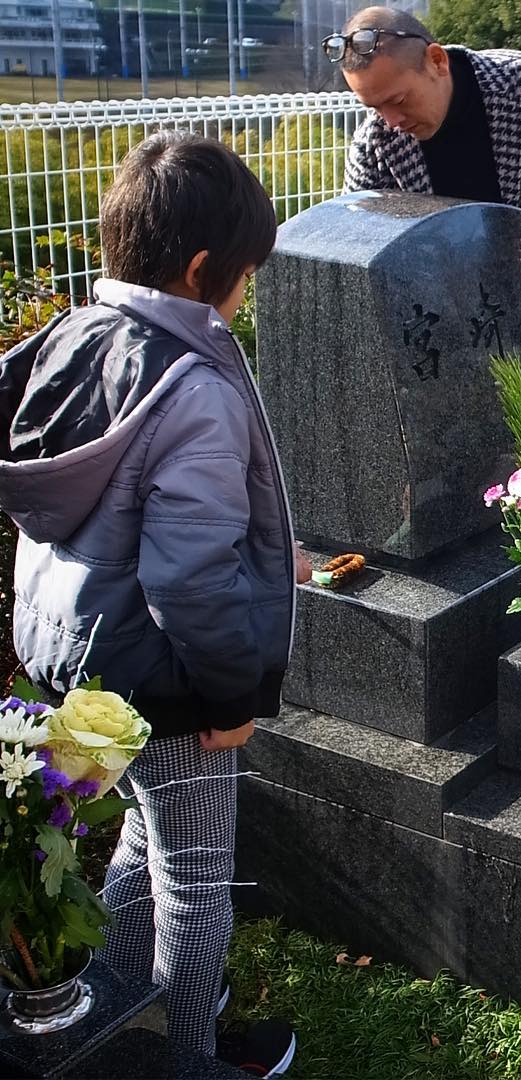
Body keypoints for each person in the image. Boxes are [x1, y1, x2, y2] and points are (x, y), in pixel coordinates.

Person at [0, 132, 304, 1075]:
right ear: (206, 269)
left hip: (69, 652)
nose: (245, 294)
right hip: (167, 678)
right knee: (197, 877)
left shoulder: (67, 339)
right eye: (246, 274)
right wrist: (229, 700)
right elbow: (187, 579)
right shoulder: (196, 386)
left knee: (142, 828)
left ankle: (121, 1016)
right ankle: (189, 1059)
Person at [329, 6, 521, 358]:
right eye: (374, 108)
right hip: (452, 332)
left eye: (398, 100)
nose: (391, 121)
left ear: (436, 61)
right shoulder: (374, 144)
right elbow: (359, 254)